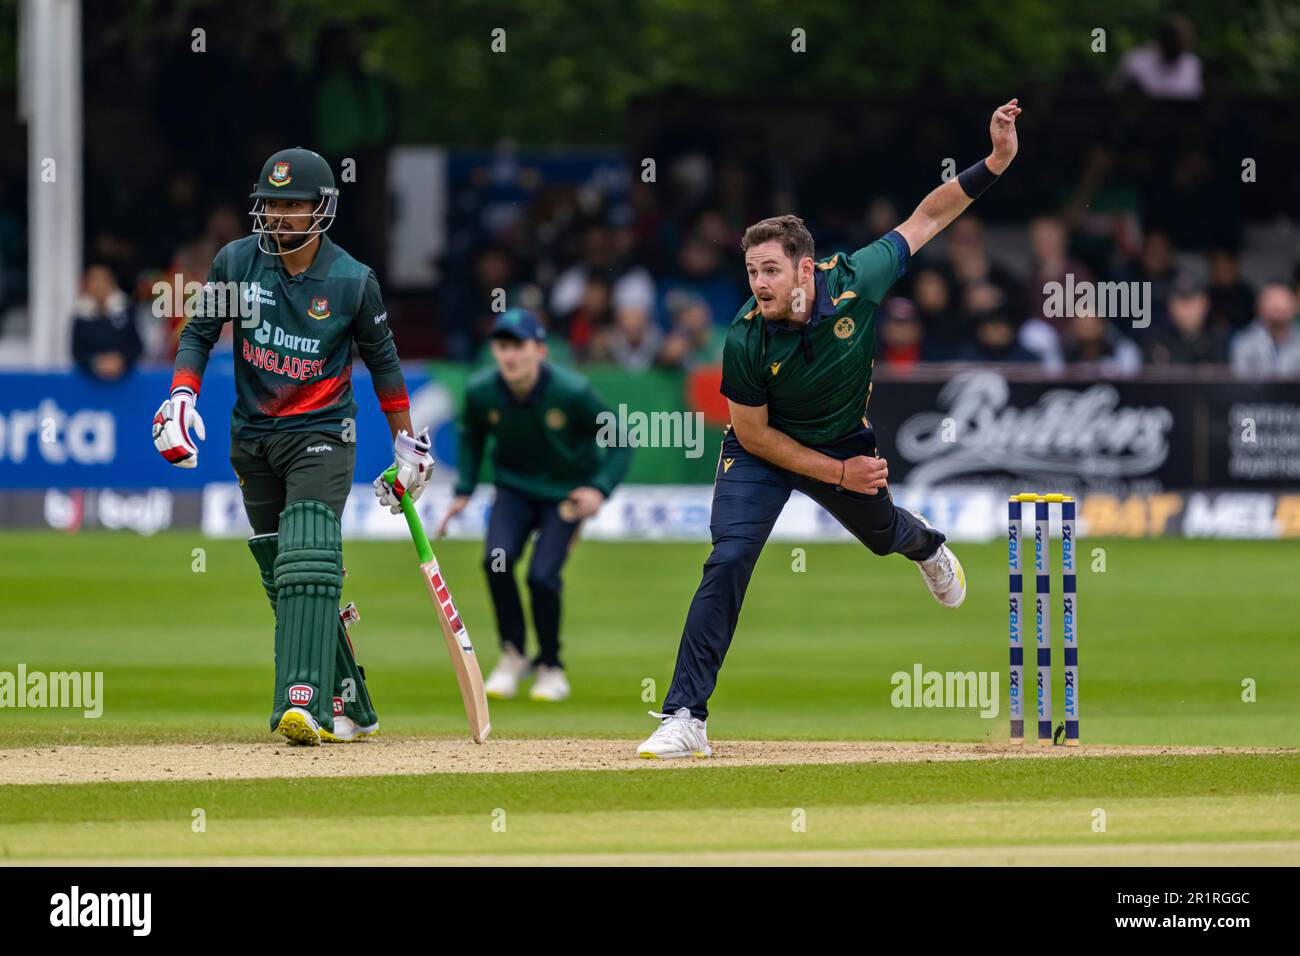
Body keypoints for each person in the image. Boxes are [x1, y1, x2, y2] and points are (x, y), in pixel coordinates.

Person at [636, 99, 1022, 759]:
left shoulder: (857, 281)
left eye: (771, 270)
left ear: (805, 270)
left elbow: (927, 217)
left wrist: (994, 162)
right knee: (728, 558)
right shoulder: (745, 337)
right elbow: (755, 438)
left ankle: (927, 546)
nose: (758, 283)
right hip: (762, 453)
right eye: (752, 271)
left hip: (842, 438)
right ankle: (685, 716)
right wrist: (837, 474)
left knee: (884, 536)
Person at [151, 147, 428, 746]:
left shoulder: (353, 280)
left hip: (324, 434)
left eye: (292, 205)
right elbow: (198, 331)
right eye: (271, 203)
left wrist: (406, 444)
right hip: (252, 437)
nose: (278, 215)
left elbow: (384, 365)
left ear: (320, 209)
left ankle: (302, 704)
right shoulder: (235, 262)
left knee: (307, 551)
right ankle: (354, 702)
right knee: (286, 571)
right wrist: (179, 398)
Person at [438, 309, 632, 702]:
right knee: (496, 559)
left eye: (519, 346)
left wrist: (598, 488)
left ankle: (550, 665)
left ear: (539, 350)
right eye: (502, 346)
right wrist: (464, 489)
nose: (509, 355)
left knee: (542, 577)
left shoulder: (571, 392)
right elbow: (471, 435)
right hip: (514, 489)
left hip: (564, 495)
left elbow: (620, 440)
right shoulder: (482, 392)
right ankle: (512, 654)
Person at [71, 264, 142, 381]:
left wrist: (120, 360)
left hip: (124, 382)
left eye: (103, 279)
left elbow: (136, 346)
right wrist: (95, 363)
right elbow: (77, 351)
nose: (98, 285)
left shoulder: (126, 309)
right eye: (93, 280)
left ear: (112, 283)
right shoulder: (80, 314)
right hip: (90, 384)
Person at [1230, 284, 1300, 376]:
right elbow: (1239, 382)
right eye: (1271, 303)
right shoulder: (1244, 341)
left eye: (1283, 303)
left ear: (1294, 307)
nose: (1277, 307)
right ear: (1259, 308)